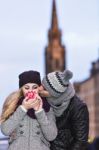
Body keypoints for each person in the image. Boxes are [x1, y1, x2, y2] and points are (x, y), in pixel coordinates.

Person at [0, 70, 57, 150]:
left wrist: (39, 111)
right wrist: (23, 108)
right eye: (26, 88)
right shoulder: (13, 105)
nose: (31, 91)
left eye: (35, 87)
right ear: (21, 89)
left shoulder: (47, 107)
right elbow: (5, 130)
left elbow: (51, 136)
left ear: (39, 89)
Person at [39, 69, 89, 150]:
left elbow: (81, 142)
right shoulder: (42, 100)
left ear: (54, 93)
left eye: (44, 89)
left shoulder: (78, 107)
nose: (39, 88)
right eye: (41, 84)